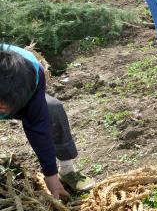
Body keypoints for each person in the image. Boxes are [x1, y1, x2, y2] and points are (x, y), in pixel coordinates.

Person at [0, 44, 94, 200]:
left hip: (23, 97)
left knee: (52, 109)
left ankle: (67, 170)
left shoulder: (33, 73)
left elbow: (39, 127)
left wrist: (51, 177)